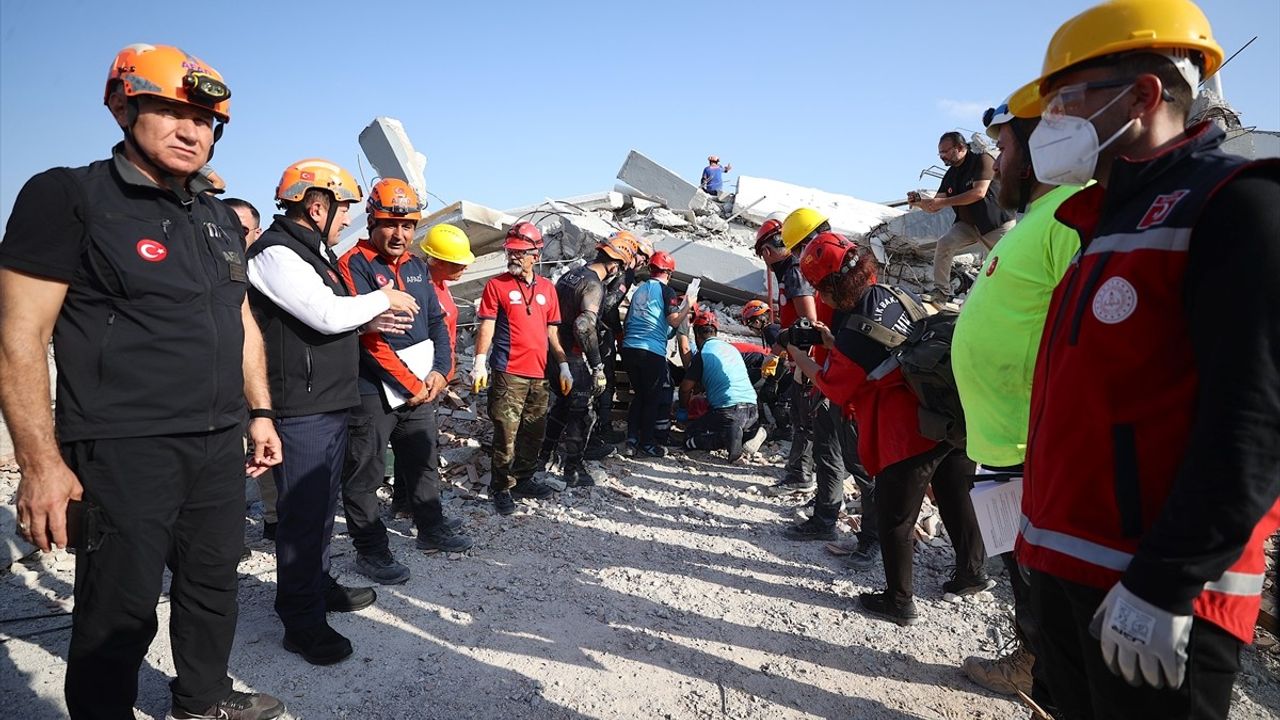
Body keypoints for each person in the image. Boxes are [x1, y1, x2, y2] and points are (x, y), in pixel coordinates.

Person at [1008, 1, 1280, 716]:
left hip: (1150, 591)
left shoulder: (1236, 206)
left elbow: (1253, 423)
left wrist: (1166, 579)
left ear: (1144, 95)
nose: (1052, 122)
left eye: (1066, 100)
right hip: (1069, 567)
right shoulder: (1105, 221)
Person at [0, 43, 286, 719]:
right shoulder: (68, 195)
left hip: (219, 443)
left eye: (207, 120)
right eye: (171, 110)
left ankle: (201, 699)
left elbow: (239, 319)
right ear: (123, 105)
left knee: (214, 584)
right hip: (126, 446)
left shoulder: (215, 216)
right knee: (117, 609)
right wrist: (41, 466)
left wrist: (261, 413)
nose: (193, 131)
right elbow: (18, 336)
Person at [247, 159, 421, 666]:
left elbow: (333, 316)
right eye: (344, 208)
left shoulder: (313, 252)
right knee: (302, 516)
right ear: (317, 205)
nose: (347, 220)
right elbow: (323, 313)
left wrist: (372, 316)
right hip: (299, 408)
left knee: (322, 510)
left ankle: (317, 587)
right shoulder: (277, 254)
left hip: (325, 402)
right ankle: (300, 622)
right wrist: (379, 298)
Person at [950, 95, 1085, 706]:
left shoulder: (1069, 216)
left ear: (1044, 149)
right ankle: (1032, 660)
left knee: (1041, 578)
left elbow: (1085, 337)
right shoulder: (1036, 218)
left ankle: (1041, 674)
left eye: (1003, 149)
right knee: (1022, 571)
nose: (995, 164)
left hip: (1035, 446)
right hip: (1006, 442)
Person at [792, 232, 988, 626]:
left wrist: (796, 352)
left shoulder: (854, 329)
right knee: (956, 496)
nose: (821, 297)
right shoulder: (890, 294)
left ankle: (899, 600)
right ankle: (971, 573)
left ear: (833, 284)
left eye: (820, 288)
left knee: (895, 515)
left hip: (909, 430)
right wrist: (834, 344)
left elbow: (835, 384)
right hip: (948, 408)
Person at [337, 180, 473, 587]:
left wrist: (441, 373)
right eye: (390, 225)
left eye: (408, 226)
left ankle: (430, 529)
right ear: (373, 221)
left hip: (419, 385)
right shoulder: (354, 264)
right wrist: (410, 382)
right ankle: (372, 550)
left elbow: (438, 322)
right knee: (366, 471)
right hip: (371, 390)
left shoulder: (415, 267)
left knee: (422, 460)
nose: (399, 235)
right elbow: (368, 337)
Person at [472, 222, 571, 515]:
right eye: (510, 251)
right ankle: (500, 487)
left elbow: (552, 333)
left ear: (535, 255)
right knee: (506, 432)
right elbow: (487, 325)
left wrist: (563, 364)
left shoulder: (547, 290)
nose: (513, 257)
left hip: (538, 373)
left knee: (534, 430)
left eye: (520, 253)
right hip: (508, 373)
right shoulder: (496, 285)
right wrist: (480, 361)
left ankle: (524, 478)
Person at [540, 236, 635, 485]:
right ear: (615, 266)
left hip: (553, 350)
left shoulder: (571, 275)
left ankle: (544, 457)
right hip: (572, 355)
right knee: (582, 413)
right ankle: (574, 470)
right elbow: (584, 325)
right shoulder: (594, 285)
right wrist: (597, 366)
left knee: (561, 407)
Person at [225, 197, 280, 541]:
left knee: (266, 455)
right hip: (219, 388)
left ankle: (274, 519)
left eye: (241, 231)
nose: (232, 237)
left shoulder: (265, 273)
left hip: (262, 383)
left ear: (256, 233)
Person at [752, 218, 819, 497]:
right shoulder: (789, 273)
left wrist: (794, 356)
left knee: (804, 419)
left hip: (808, 360)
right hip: (799, 357)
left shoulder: (793, 272)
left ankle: (802, 476)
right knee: (799, 415)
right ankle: (798, 471)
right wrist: (778, 353)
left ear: (766, 253)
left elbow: (809, 322)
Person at [912, 132, 1015, 301]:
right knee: (944, 243)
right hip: (967, 225)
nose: (942, 156)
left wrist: (940, 203)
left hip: (996, 224)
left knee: (1008, 261)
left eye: (945, 151)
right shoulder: (950, 174)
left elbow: (978, 193)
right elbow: (935, 205)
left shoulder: (983, 160)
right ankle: (941, 292)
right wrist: (919, 202)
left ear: (960, 148)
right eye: (940, 153)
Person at [621, 249, 695, 457]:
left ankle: (631, 440)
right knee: (652, 398)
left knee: (639, 396)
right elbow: (673, 320)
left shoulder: (639, 291)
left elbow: (628, 322)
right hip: (651, 352)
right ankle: (647, 443)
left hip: (630, 349)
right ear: (669, 273)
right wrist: (687, 306)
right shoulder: (667, 292)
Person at [677, 310, 763, 462]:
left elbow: (685, 388)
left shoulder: (703, 354)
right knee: (727, 422)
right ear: (715, 332)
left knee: (691, 434)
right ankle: (749, 435)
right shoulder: (732, 350)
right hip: (753, 409)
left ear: (697, 335)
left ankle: (727, 437)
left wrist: (683, 410)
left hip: (730, 412)